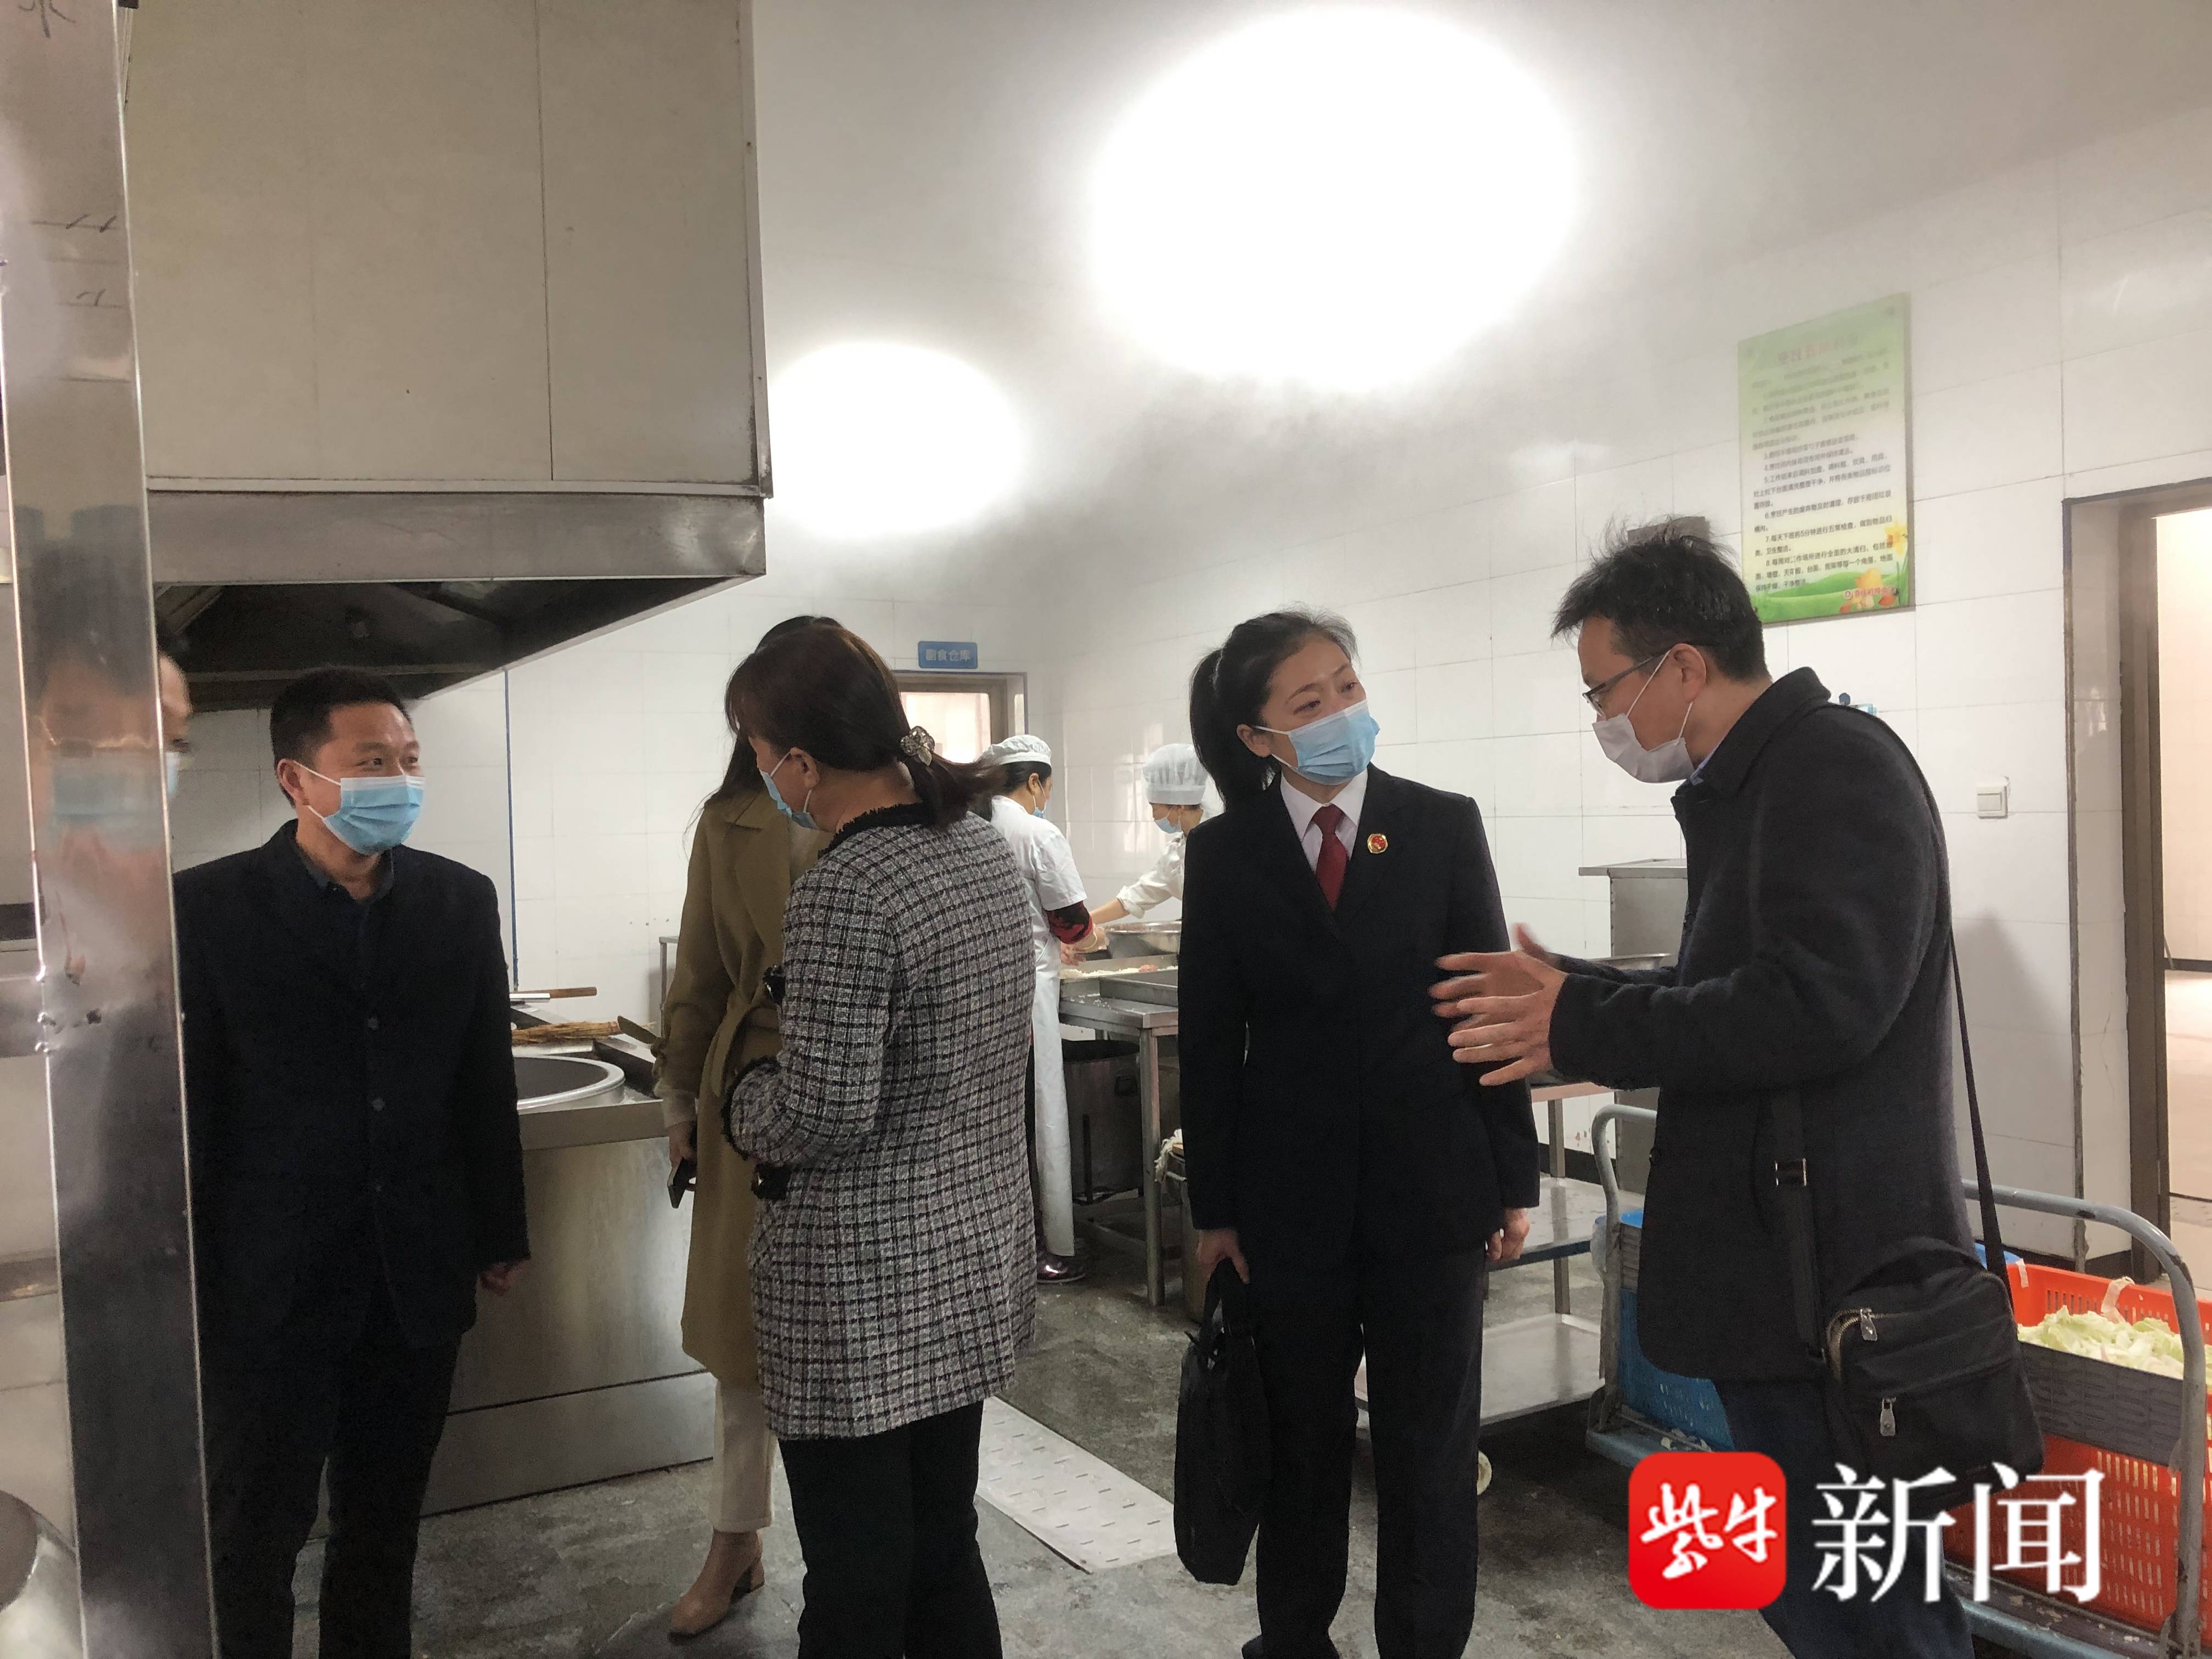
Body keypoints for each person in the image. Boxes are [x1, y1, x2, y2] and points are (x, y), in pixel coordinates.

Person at [1432, 522, 1974, 1658]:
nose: (1602, 720)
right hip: (1783, 1270)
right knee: (1833, 1587)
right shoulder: (1759, 782)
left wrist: (1579, 1021)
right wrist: (1575, 988)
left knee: (1860, 1598)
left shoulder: (1831, 766)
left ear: (1681, 664)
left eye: (1604, 691)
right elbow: (1726, 988)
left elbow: (1819, 1005)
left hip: (1826, 1280)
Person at [1179, 608, 1538, 1659]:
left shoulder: (1440, 823)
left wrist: (1511, 1173)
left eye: (1346, 684)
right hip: (1290, 1203)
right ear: (1259, 736)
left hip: (1433, 1189)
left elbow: (1486, 1005)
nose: (1341, 710)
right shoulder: (1227, 852)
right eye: (1309, 700)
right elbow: (1211, 1037)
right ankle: (1293, 1638)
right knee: (1301, 1439)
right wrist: (1216, 1208)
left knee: (1430, 1448)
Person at [176, 667, 529, 1659]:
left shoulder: (459, 900)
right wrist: (190, 1270)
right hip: (269, 1284)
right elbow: (195, 1105)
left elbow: (482, 1077)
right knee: (253, 1531)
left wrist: (500, 1229)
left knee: (384, 1526)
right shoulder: (206, 909)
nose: (399, 781)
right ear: (296, 777)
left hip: (414, 1271)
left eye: (409, 760)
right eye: (371, 762)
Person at [720, 624, 1034, 1659]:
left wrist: (741, 1101)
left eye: (760, 752)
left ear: (803, 762)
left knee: (855, 1573)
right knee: (943, 1541)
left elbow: (824, 1111)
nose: (762, 773)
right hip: (968, 1260)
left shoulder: (847, 885)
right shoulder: (979, 845)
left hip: (860, 1292)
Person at [653, 614, 838, 1638]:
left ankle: (873, 1546)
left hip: (869, 1111)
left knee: (858, 1340)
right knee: (745, 1343)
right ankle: (735, 1539)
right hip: (750, 1098)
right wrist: (680, 1102)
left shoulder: (904, 814)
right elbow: (700, 973)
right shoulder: (730, 818)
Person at [976, 732, 1098, 1283]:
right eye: (1046, 786)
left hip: (979, 996)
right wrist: (1089, 938)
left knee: (993, 1127)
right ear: (1033, 782)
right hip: (1027, 996)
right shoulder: (1036, 833)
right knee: (1033, 1119)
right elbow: (1072, 923)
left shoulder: (972, 828)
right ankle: (1044, 1247)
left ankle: (1000, 1250)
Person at [1087, 741, 1209, 929]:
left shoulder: (1222, 840)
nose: (1153, 816)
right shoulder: (1175, 856)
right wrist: (1082, 926)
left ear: (1179, 805)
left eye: (1155, 807)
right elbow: (1134, 898)